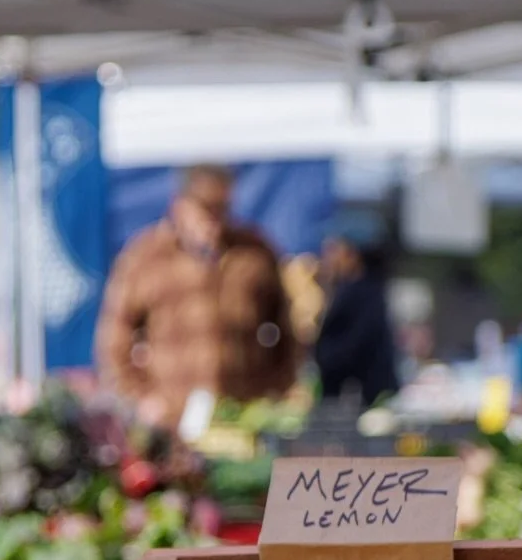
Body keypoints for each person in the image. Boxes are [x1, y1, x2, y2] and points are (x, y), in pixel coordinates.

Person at [94, 165, 295, 430]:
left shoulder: (255, 253)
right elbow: (114, 340)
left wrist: (276, 389)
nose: (215, 219)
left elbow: (288, 332)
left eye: (223, 208)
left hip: (243, 416)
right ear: (179, 206)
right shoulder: (144, 257)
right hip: (171, 422)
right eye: (206, 208)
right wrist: (141, 399)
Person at [313, 224, 398, 409]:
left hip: (360, 400)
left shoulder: (362, 293)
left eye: (334, 249)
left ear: (352, 254)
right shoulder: (360, 290)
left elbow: (351, 349)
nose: (327, 257)